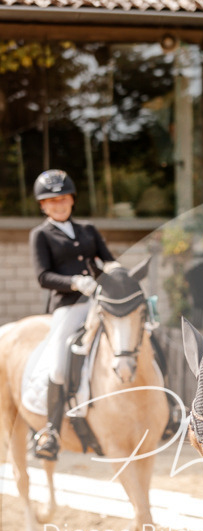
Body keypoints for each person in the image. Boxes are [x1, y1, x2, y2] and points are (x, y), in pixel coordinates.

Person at [29, 169, 114, 460]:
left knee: (138, 334)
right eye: (51, 201)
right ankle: (51, 429)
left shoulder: (89, 229)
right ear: (43, 206)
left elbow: (109, 261)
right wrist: (75, 282)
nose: (58, 204)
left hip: (99, 301)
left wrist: (119, 275)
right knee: (58, 366)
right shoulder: (40, 235)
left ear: (72, 200)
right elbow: (42, 276)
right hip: (69, 306)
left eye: (63, 199)